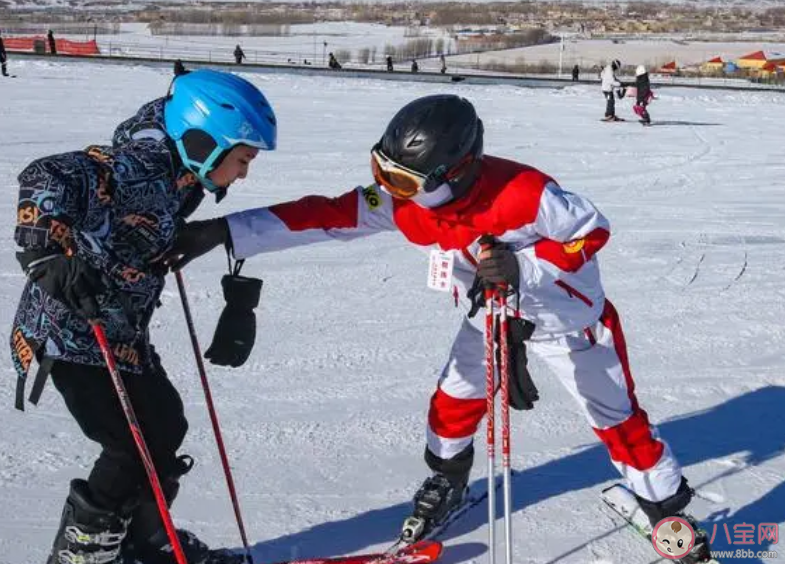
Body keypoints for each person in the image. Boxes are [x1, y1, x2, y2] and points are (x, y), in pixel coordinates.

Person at [161, 94, 709, 560]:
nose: (390, 188)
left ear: (457, 170)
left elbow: (590, 233)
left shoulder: (526, 193)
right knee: (453, 399)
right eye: (382, 170)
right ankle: (446, 482)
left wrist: (525, 266)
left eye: (402, 178)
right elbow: (327, 214)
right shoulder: (409, 201)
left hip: (568, 324)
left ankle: (664, 505)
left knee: (616, 419)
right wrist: (225, 233)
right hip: (491, 315)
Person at [11, 69, 276, 564]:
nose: (244, 174)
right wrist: (45, 254)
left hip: (122, 330)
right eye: (242, 159)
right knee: (127, 446)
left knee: (165, 427)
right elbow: (48, 175)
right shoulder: (142, 165)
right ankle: (82, 556)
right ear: (205, 143)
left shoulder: (181, 160)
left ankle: (146, 542)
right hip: (70, 330)